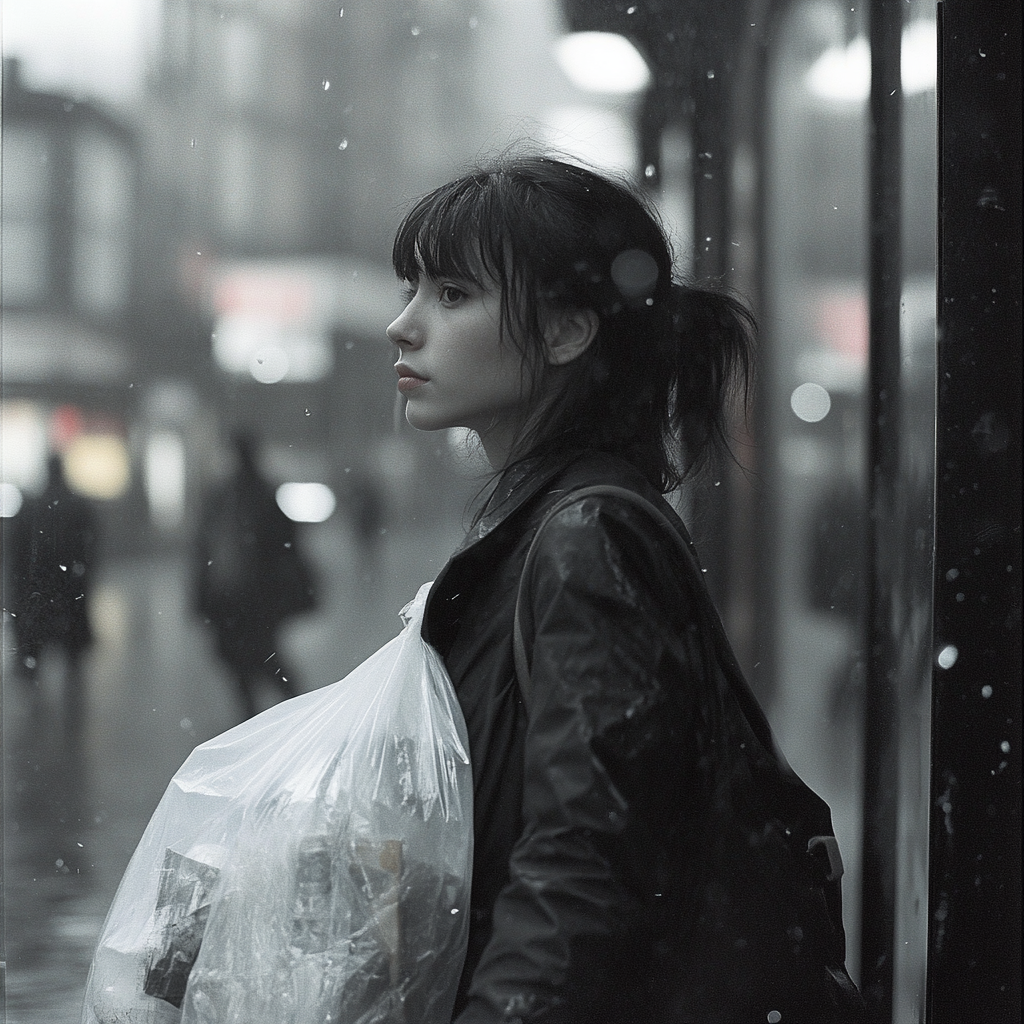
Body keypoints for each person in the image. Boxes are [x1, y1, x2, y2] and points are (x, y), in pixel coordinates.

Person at [386, 155, 866, 1022]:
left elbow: (583, 861)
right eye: (412, 289)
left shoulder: (584, 535)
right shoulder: (552, 522)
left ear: (568, 333)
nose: (403, 326)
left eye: (452, 295)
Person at [193, 431, 315, 718]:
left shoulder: (236, 495)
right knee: (253, 659)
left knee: (253, 659)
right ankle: (286, 712)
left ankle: (279, 712)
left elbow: (205, 549)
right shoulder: (245, 495)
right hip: (240, 598)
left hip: (243, 597)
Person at [7, 452, 98, 693]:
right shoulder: (77, 505)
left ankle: (35, 695)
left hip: (40, 586)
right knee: (72, 650)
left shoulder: (33, 507)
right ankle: (72, 694)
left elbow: (19, 553)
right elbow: (90, 547)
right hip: (70, 585)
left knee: (36, 642)